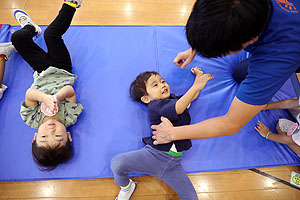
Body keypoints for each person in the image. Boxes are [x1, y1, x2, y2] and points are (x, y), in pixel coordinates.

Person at [151, 0, 300, 145]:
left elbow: (231, 123)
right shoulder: (234, 8)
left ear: (252, 40)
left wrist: (172, 133)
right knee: (239, 74)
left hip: (291, 48)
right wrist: (199, 45)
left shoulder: (274, 58)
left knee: (245, 76)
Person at [111, 67, 213, 200]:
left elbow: (192, 96)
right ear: (147, 99)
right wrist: (196, 87)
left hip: (173, 164)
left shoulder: (175, 99)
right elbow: (180, 106)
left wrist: (198, 78)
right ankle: (126, 187)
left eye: (163, 81)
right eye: (155, 85)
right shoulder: (155, 105)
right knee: (117, 162)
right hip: (153, 155)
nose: (163, 85)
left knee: (192, 197)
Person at [10, 0, 84, 170]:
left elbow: (30, 94)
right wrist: (58, 97)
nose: (51, 131)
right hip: (61, 68)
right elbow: (70, 91)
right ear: (69, 136)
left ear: (35, 137)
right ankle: (71, 4)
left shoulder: (32, 119)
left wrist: (43, 97)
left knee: (17, 38)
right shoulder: (69, 117)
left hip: (41, 70)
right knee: (51, 35)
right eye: (58, 136)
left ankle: (31, 28)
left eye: (44, 137)